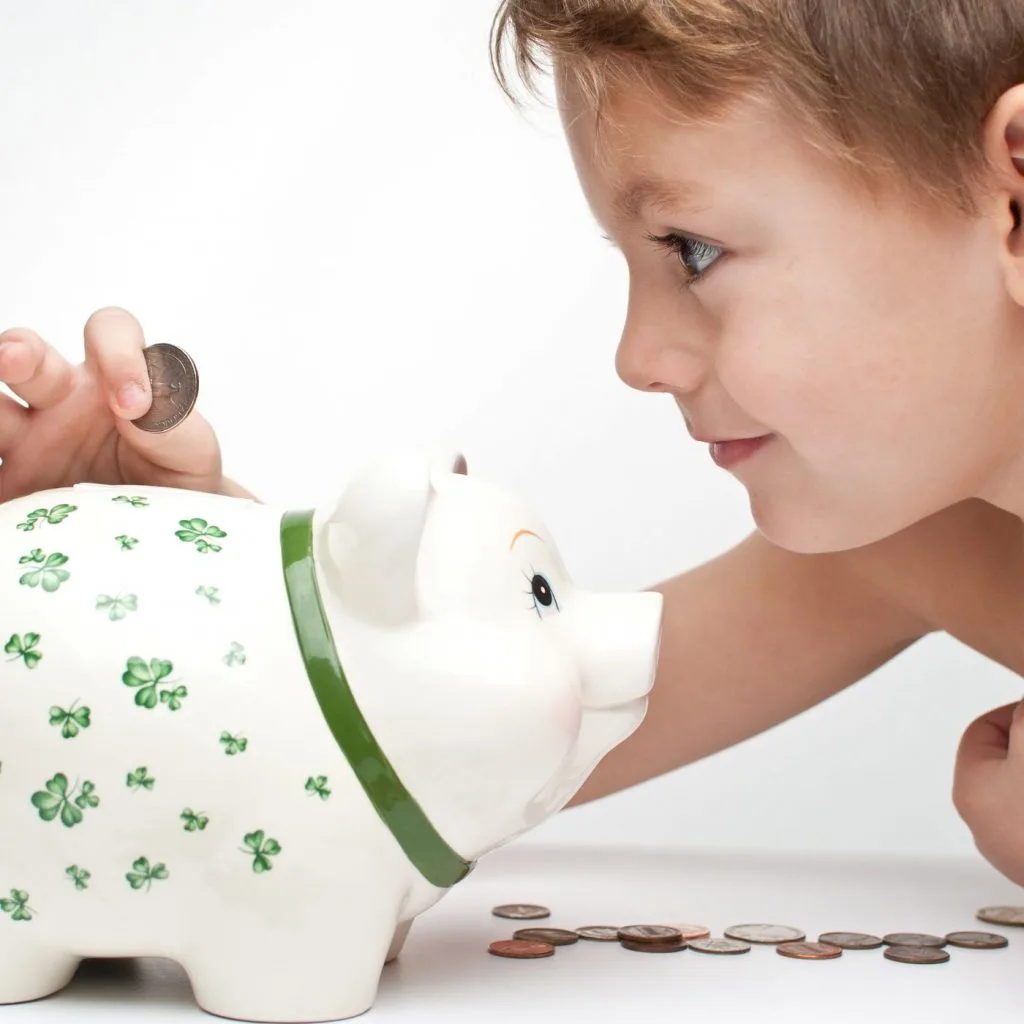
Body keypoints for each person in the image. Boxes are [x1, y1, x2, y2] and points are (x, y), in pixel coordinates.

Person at [1, 0, 1023, 889]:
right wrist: (184, 593)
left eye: (692, 250)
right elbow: (415, 744)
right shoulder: (920, 544)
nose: (637, 357)